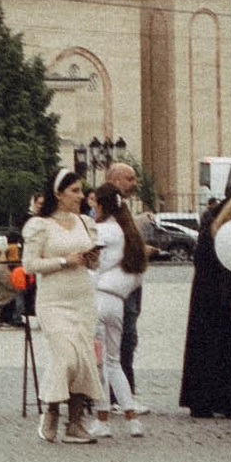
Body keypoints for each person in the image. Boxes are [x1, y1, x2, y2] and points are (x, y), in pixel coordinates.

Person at [23, 169, 107, 442]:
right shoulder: (40, 225)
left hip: (82, 298)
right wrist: (63, 261)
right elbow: (30, 265)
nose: (81, 196)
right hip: (54, 300)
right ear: (58, 193)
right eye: (75, 191)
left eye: (81, 191)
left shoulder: (85, 222)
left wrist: (92, 257)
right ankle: (51, 411)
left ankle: (75, 423)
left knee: (84, 359)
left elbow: (92, 263)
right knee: (66, 357)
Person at [177, 173, 231, 418]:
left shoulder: (224, 213)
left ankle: (201, 400)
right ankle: (226, 401)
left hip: (209, 286)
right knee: (226, 345)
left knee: (206, 343)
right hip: (226, 285)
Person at [90, 192, 147, 432]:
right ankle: (132, 418)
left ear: (101, 205)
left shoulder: (102, 231)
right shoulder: (129, 235)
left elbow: (94, 264)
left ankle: (102, 419)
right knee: (114, 362)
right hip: (117, 302)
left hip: (99, 297)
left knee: (99, 364)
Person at [100, 162, 155, 391]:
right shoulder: (106, 215)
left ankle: (124, 392)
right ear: (115, 181)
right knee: (122, 340)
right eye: (130, 179)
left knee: (127, 339)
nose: (134, 184)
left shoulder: (122, 210)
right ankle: (118, 394)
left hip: (128, 285)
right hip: (117, 287)